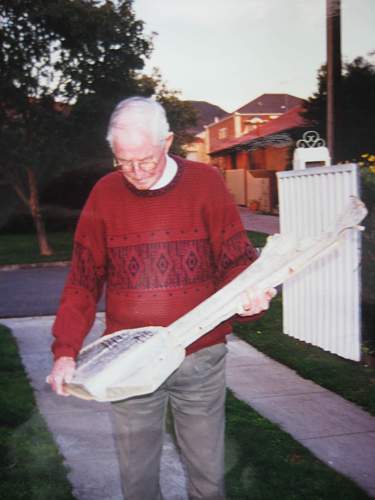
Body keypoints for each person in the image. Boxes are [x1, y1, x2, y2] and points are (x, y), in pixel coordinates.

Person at [47, 96, 275, 500]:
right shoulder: (104, 193)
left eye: (145, 161)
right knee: (137, 480)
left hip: (199, 357)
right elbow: (83, 279)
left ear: (167, 142)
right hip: (130, 361)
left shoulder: (205, 183)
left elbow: (235, 260)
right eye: (123, 162)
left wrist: (250, 295)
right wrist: (65, 350)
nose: (134, 173)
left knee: (207, 478)